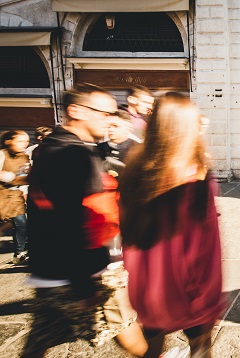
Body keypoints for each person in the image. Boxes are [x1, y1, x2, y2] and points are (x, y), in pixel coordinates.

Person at [23, 83, 147, 357]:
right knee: (122, 323)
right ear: (75, 111)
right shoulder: (69, 154)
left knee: (42, 336)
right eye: (104, 113)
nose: (110, 120)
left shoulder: (63, 146)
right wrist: (83, 284)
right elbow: (69, 221)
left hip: (52, 269)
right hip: (83, 270)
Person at [119, 93, 225, 357]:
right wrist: (209, 298)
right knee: (201, 348)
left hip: (148, 289)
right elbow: (204, 248)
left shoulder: (134, 170)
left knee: (152, 349)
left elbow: (128, 235)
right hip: (190, 292)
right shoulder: (197, 179)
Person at [0, 130, 30, 264]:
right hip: (1, 193)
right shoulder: (2, 154)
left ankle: (19, 253)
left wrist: (23, 190)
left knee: (21, 223)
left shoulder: (25, 157)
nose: (24, 144)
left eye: (26, 142)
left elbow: (24, 178)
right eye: (20, 141)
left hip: (15, 195)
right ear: (8, 142)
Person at [98, 110, 140, 178]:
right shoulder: (98, 148)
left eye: (115, 126)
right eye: (109, 126)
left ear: (129, 129)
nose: (111, 129)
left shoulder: (138, 150)